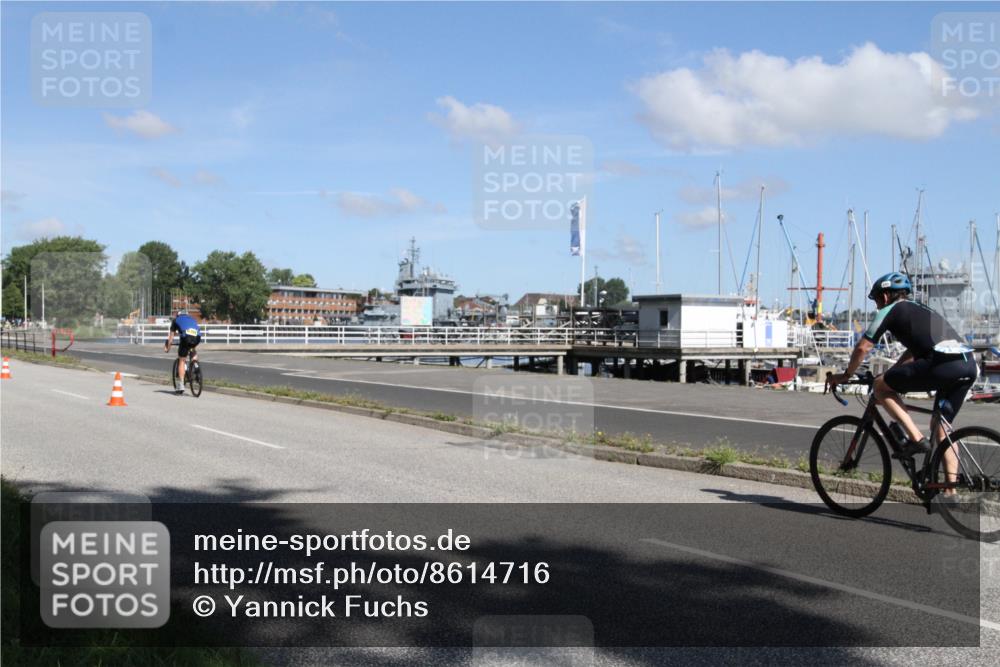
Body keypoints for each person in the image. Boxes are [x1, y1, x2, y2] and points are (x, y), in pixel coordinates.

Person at [827, 272, 979, 463]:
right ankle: (950, 490)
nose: (876, 306)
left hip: (943, 366)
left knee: (880, 387)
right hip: (968, 365)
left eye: (876, 300)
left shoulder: (889, 310)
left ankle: (916, 439)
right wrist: (892, 372)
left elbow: (863, 347)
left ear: (884, 296)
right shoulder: (922, 309)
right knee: (942, 431)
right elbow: (914, 351)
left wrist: (846, 375)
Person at [164, 310, 201, 393]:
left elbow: (171, 338)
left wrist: (168, 348)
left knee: (182, 360)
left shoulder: (175, 320)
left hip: (186, 338)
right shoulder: (192, 319)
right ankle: (196, 365)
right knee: (192, 349)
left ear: (178, 315)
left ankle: (181, 385)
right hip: (197, 337)